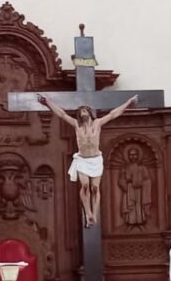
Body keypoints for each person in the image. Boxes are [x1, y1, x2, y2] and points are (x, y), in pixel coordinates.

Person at [39, 93, 138, 227]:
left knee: (95, 188)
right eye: (80, 112)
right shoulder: (76, 125)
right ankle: (87, 213)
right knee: (85, 186)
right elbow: (61, 114)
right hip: (82, 160)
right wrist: (48, 103)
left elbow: (113, 114)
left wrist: (128, 103)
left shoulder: (97, 123)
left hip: (95, 160)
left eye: (84, 110)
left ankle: (94, 213)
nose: (82, 113)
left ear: (89, 113)